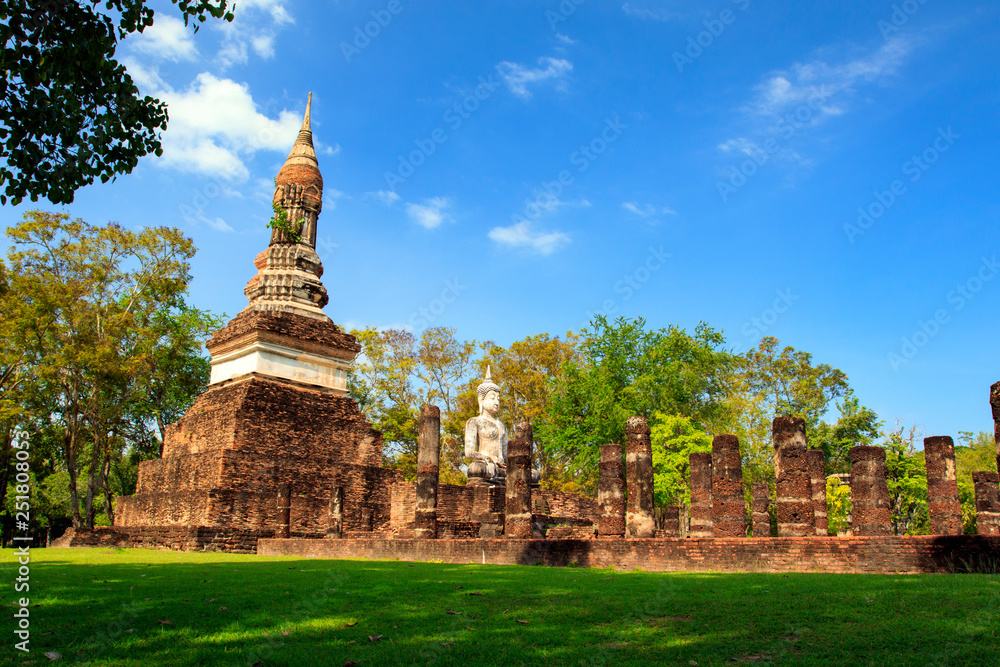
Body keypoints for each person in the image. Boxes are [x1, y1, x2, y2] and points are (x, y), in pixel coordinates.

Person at [464, 367, 508, 482]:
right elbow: (469, 452)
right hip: (483, 466)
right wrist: (485, 458)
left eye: (498, 398)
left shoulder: (502, 425)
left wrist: (504, 463)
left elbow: (505, 454)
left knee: (530, 475)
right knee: (476, 468)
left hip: (501, 469)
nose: (496, 402)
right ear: (481, 399)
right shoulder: (474, 421)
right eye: (492, 397)